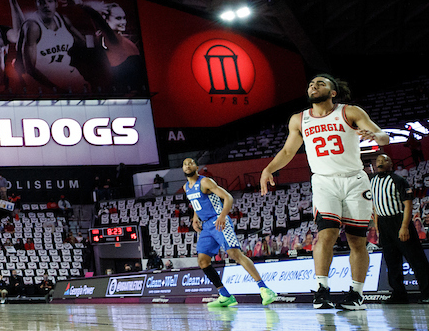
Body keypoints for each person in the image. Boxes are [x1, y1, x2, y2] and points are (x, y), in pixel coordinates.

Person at [261, 74, 390, 310]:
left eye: (321, 83)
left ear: (332, 92)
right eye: (311, 83)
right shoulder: (299, 119)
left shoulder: (350, 112)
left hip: (355, 181)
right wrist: (268, 169)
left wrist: (376, 137)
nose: (313, 86)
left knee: (356, 240)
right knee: (326, 235)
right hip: (324, 182)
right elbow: (288, 151)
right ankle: (322, 290)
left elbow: (383, 135)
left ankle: (356, 294)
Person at [181, 158, 277, 307]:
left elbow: (228, 197)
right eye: (185, 164)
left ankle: (265, 288)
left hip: (218, 221)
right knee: (202, 261)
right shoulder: (186, 187)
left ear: (197, 167)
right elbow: (195, 203)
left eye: (190, 163)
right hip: (206, 226)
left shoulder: (205, 181)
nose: (187, 165)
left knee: (234, 254)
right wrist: (195, 218)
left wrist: (222, 216)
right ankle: (225, 296)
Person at [371, 153, 429, 303]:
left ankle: (427, 292)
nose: (381, 162)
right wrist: (377, 226)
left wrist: (404, 227)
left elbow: (408, 204)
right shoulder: (372, 181)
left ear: (391, 163)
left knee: (415, 258)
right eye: (378, 160)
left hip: (399, 220)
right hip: (384, 223)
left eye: (384, 160)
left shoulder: (398, 180)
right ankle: (398, 294)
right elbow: (375, 206)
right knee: (391, 261)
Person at [16, 0, 87, 93]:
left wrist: (80, 4)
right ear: (36, 5)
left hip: (69, 76)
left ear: (56, 4)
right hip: (44, 82)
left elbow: (83, 42)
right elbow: (30, 70)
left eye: (50, 1)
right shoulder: (32, 26)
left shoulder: (63, 19)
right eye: (41, 2)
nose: (46, 5)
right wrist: (58, 90)